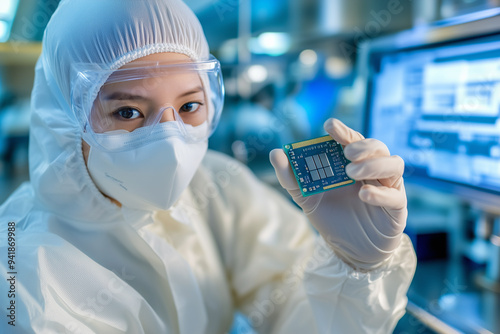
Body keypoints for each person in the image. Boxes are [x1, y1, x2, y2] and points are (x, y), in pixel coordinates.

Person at [0, 0, 416, 333]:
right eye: (127, 112)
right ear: (63, 117)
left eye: (189, 106)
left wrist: (357, 270)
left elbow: (298, 314)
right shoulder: (22, 273)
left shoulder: (216, 187)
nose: (170, 141)